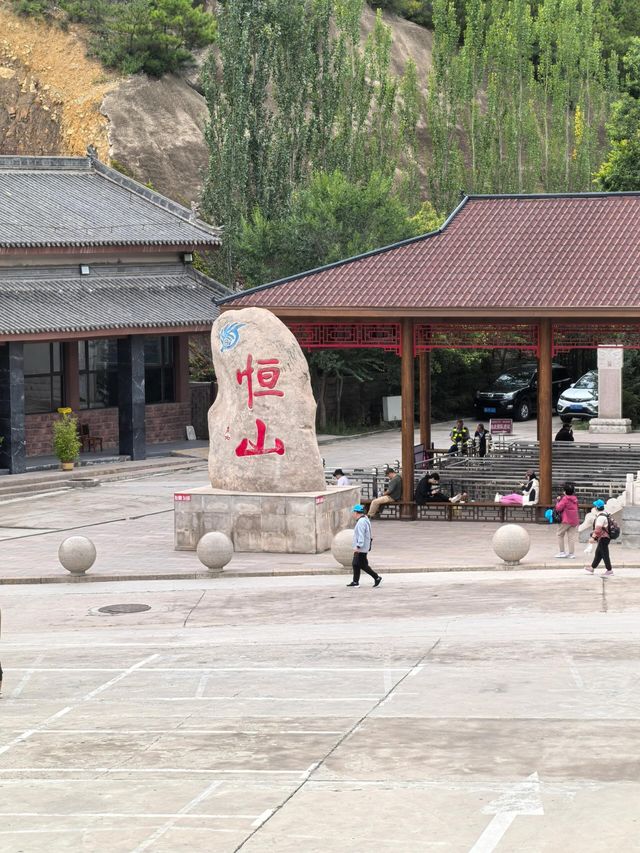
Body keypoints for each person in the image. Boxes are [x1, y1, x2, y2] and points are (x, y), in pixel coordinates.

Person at [347, 504, 382, 587]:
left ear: (356, 512)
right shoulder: (365, 519)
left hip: (361, 547)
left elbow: (361, 535)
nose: (353, 514)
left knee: (362, 565)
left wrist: (358, 546)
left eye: (354, 512)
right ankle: (355, 581)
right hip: (363, 546)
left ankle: (376, 577)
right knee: (355, 564)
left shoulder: (361, 522)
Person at [584, 499, 614, 576]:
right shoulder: (605, 513)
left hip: (604, 538)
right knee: (598, 553)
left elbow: (597, 530)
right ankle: (592, 567)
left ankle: (609, 570)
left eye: (594, 507)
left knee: (604, 554)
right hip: (604, 538)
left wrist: (593, 538)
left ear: (596, 508)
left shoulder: (600, 517)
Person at [554, 482, 580, 558]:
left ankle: (562, 552)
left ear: (565, 492)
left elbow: (558, 508)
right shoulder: (575, 499)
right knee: (571, 537)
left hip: (566, 519)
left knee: (560, 534)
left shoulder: (565, 499)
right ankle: (571, 554)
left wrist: (558, 501)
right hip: (574, 519)